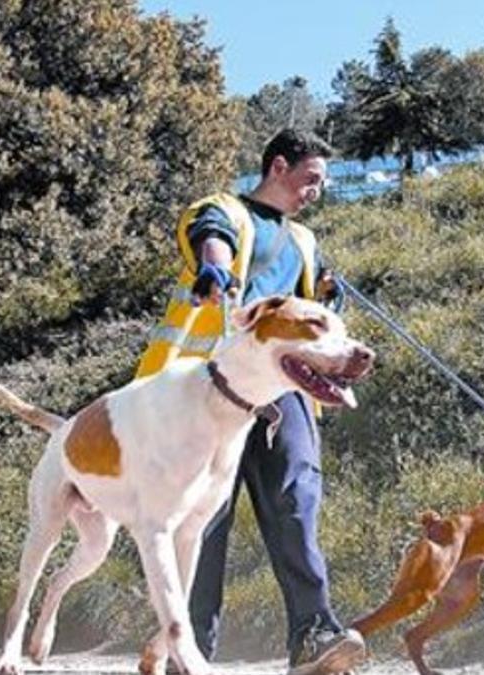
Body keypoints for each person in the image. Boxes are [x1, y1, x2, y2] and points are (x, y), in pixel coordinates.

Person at [135, 128, 364, 675]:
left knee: (296, 503)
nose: (316, 190)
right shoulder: (223, 209)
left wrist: (327, 296)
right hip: (208, 392)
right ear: (278, 167)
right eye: (310, 178)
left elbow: (305, 313)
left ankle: (314, 636)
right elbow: (210, 234)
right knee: (200, 521)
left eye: (321, 183)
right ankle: (188, 653)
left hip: (282, 393)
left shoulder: (305, 241)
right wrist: (214, 264)